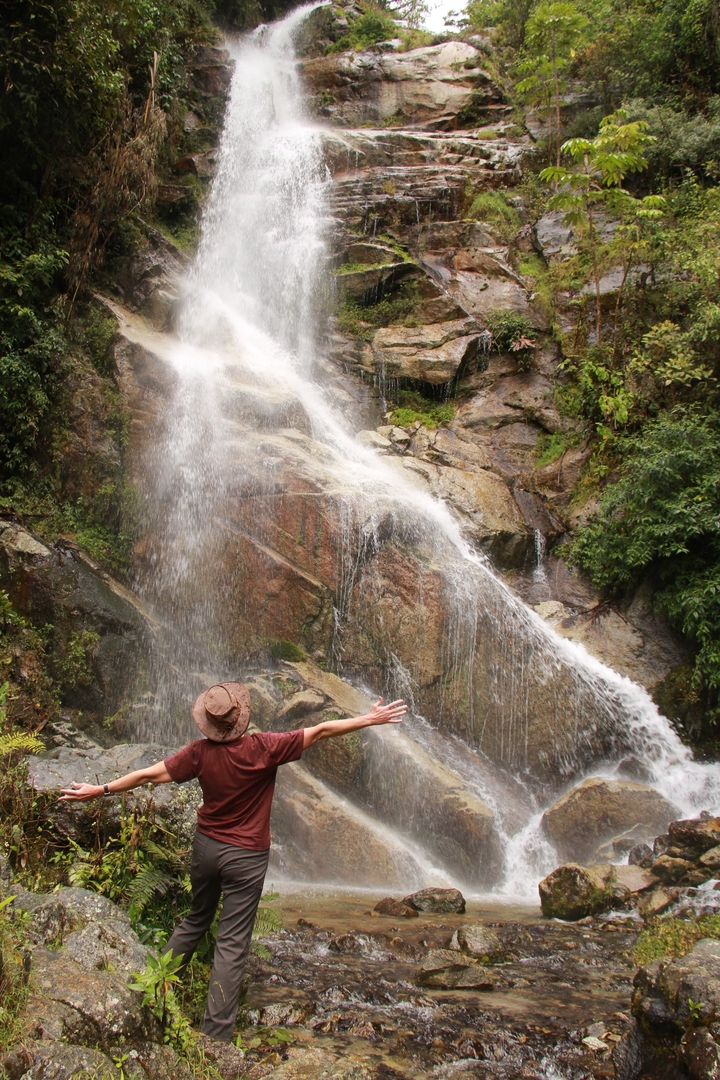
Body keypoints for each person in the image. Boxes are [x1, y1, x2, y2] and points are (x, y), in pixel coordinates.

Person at [59, 681, 407, 1042]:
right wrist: (369, 719)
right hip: (247, 855)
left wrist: (98, 791)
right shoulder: (264, 747)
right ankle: (215, 1039)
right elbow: (319, 732)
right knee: (232, 943)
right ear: (240, 716)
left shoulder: (198, 753)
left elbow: (148, 774)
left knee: (196, 918)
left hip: (207, 849)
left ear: (208, 722)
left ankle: (151, 991)